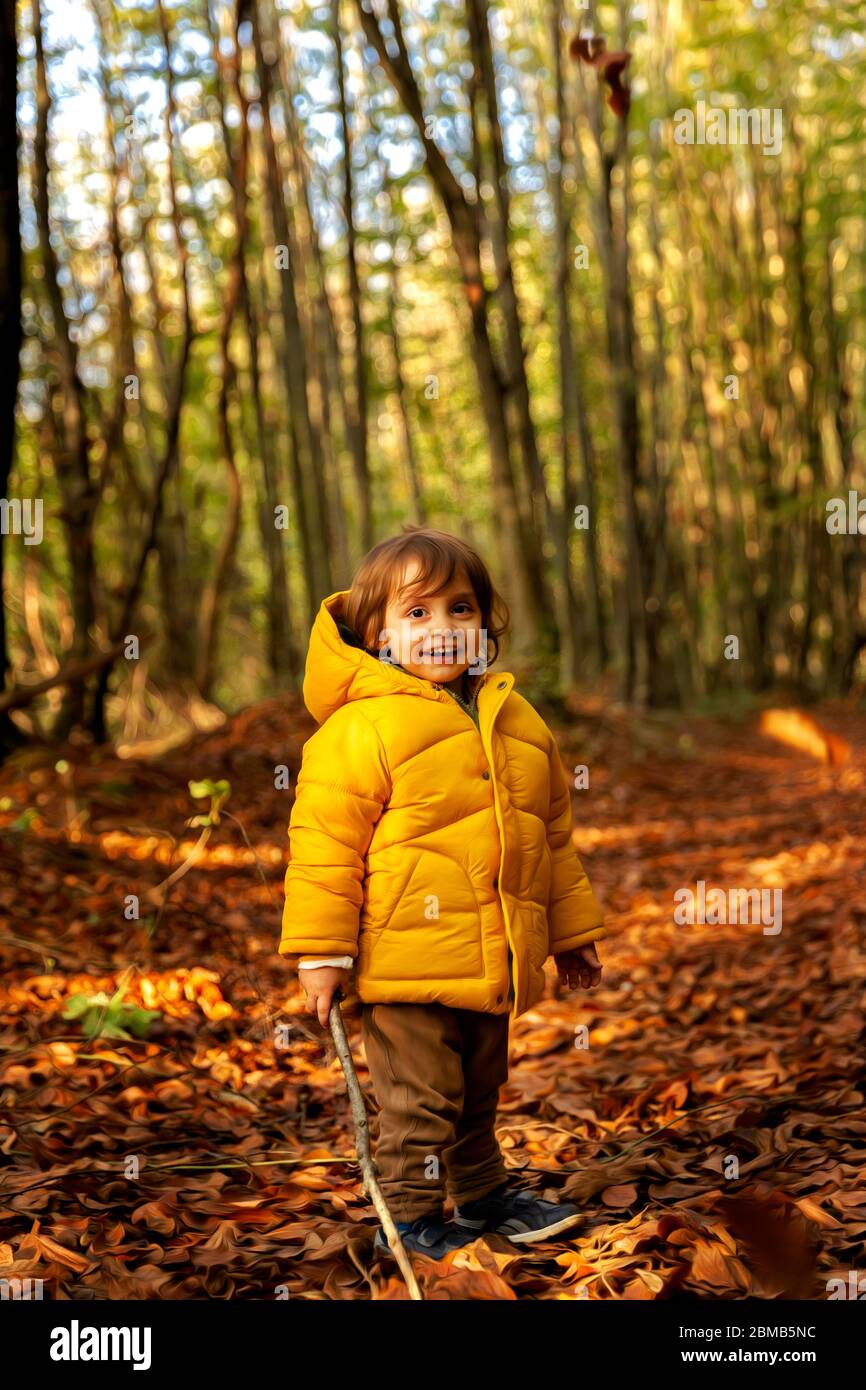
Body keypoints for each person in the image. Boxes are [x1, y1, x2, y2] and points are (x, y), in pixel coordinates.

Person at [279, 526, 605, 1261]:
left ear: (485, 625)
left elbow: (549, 837)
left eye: (460, 610)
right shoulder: (360, 727)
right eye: (417, 613)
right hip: (402, 966)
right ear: (377, 633)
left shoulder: (516, 721)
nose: (442, 629)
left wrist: (569, 933)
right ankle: (412, 1216)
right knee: (419, 1101)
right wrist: (321, 952)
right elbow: (325, 848)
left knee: (479, 1089)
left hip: (493, 961)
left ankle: (485, 1196)